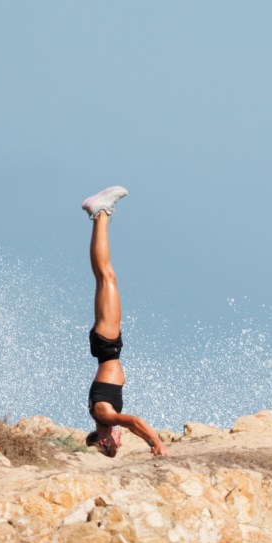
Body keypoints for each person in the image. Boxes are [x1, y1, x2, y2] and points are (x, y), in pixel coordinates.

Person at [81, 186, 170, 457]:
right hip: (106, 345)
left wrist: (156, 443)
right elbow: (132, 425)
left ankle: (101, 213)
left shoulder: (104, 414)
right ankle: (99, 214)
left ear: (104, 441)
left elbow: (135, 422)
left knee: (107, 275)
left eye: (114, 445)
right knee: (104, 276)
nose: (119, 443)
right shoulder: (104, 416)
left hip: (107, 345)